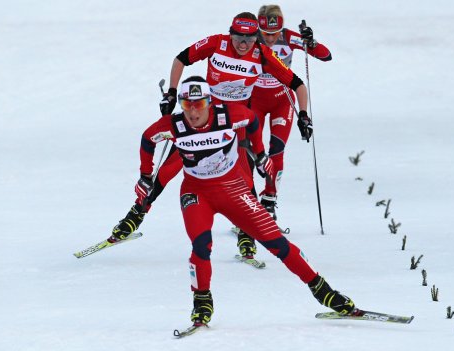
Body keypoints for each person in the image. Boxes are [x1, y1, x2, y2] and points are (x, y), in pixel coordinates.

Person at [142, 76, 355, 326]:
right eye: (187, 105)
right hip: (196, 192)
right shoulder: (173, 125)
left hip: (233, 189)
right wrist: (145, 175)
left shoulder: (229, 115)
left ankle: (323, 290)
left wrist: (261, 153)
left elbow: (253, 121)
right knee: (201, 245)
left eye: (199, 105)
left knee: (276, 242)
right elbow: (147, 140)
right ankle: (201, 301)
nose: (193, 112)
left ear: (209, 102)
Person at [110, 12, 315, 260]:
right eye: (239, 37)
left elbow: (297, 84)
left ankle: (246, 237)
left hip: (235, 122)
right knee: (170, 167)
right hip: (202, 116)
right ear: (231, 33)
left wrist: (303, 115)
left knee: (243, 177)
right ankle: (136, 215)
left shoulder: (262, 54)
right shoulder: (216, 43)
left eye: (249, 39)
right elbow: (181, 59)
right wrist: (172, 93)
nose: (243, 43)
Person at [251, 5, 333, 220]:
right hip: (254, 101)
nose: (269, 39)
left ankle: (269, 200)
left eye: (274, 34)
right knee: (250, 151)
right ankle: (247, 203)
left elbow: (326, 56)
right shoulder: (249, 38)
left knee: (277, 150)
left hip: (282, 100)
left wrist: (311, 42)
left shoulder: (289, 37)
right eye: (266, 34)